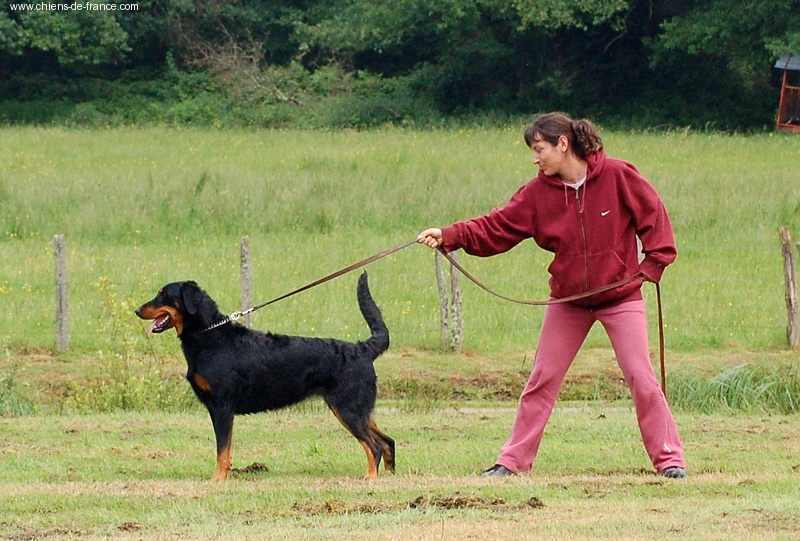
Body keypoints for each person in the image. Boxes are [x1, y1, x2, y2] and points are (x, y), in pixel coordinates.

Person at [417, 112, 686, 479]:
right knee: (541, 378)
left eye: (540, 149)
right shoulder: (536, 193)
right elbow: (496, 226)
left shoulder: (619, 176)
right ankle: (511, 463)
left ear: (563, 144)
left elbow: (655, 220)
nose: (535, 158)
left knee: (641, 377)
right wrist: (449, 235)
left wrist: (651, 267)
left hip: (621, 298)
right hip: (568, 302)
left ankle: (670, 461)